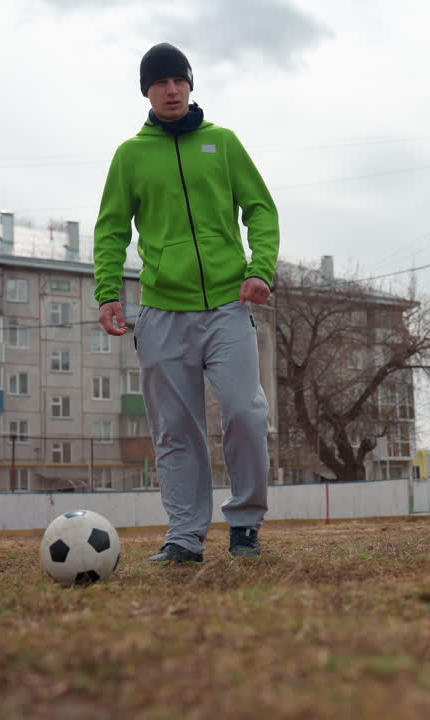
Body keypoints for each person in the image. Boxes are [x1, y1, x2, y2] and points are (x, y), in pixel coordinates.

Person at [93, 42, 279, 562]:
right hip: (161, 312)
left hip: (226, 305)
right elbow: (110, 229)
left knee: (245, 411)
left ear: (191, 85)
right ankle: (184, 536)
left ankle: (245, 524)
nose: (171, 90)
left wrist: (260, 268)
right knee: (176, 430)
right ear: (146, 92)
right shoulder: (131, 155)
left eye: (179, 80)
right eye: (160, 83)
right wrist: (108, 290)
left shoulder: (223, 143)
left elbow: (261, 209)